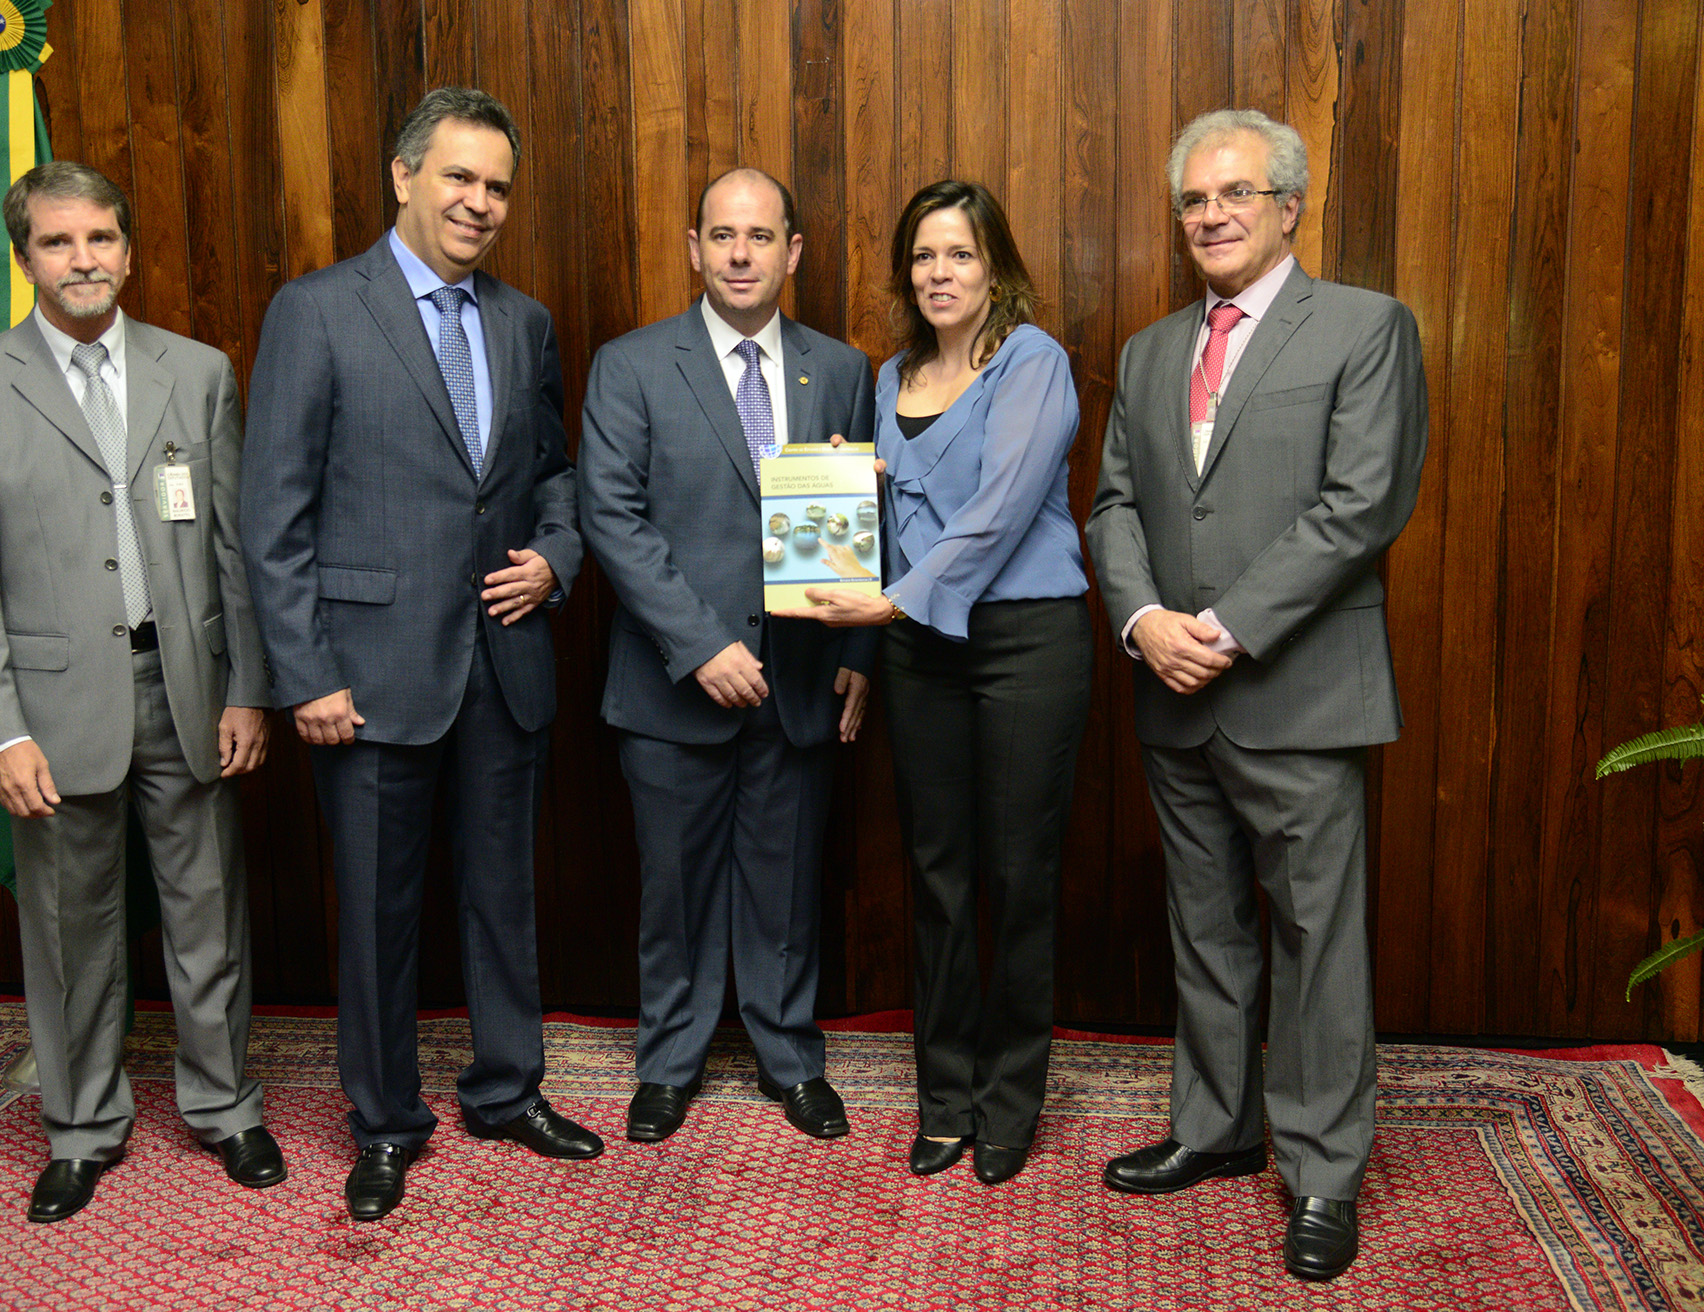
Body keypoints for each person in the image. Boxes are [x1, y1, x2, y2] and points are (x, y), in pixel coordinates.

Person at [239, 87, 596, 1224]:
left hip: (502, 659)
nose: (479, 203)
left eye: (496, 185)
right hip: (367, 676)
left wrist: (553, 553)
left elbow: (554, 473)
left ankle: (505, 1089)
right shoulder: (317, 311)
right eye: (458, 177)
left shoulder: (524, 321)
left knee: (502, 899)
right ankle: (386, 1121)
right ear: (403, 178)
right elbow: (272, 514)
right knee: (380, 915)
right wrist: (304, 675)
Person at [1086, 108, 1427, 1281]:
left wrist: (1218, 632)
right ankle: (1214, 1126)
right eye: (1192, 200)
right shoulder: (1145, 351)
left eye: (1233, 194)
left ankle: (1323, 1170)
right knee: (1206, 924)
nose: (1210, 216)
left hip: (1297, 689)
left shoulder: (1365, 327)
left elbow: (1360, 503)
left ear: (1289, 206)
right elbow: (1114, 505)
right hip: (1170, 690)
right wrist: (1141, 623)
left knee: (1315, 938)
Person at [0, 161, 281, 1223]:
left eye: (101, 240)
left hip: (189, 686)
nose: (84, 261)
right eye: (58, 243)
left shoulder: (198, 371)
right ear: (25, 256)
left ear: (127, 248)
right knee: (71, 928)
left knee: (208, 913)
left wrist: (250, 689)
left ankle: (225, 1107)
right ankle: (81, 1127)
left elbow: (233, 552)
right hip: (54, 705)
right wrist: (1, 732)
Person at [773, 179, 1094, 1186]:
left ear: (994, 265)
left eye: (958, 254)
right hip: (917, 653)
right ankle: (945, 1095)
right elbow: (887, 524)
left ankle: (1008, 1102)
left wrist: (888, 607)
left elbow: (995, 514)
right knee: (939, 878)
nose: (939, 273)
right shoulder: (888, 375)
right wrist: (839, 496)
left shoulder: (1031, 361)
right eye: (922, 256)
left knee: (1017, 881)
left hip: (1023, 645)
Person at [578, 169, 875, 1144]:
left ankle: (789, 1056)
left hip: (797, 681)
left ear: (792, 251)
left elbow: (871, 521)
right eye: (721, 235)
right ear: (692, 247)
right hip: (674, 685)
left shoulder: (839, 368)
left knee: (785, 883)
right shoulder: (629, 365)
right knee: (672, 887)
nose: (740, 253)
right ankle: (668, 1063)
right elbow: (611, 520)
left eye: (760, 236)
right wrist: (698, 643)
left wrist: (860, 653)